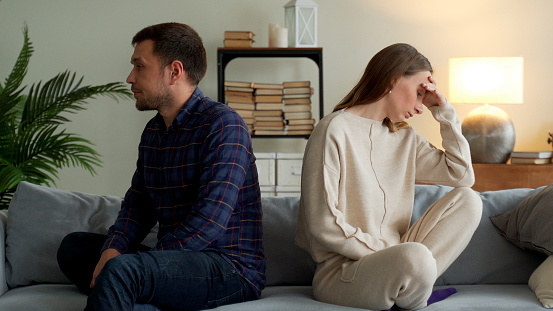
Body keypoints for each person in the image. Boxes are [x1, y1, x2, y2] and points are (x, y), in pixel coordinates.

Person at [57, 22, 265, 311]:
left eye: (139, 67)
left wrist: (145, 263)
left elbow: (210, 220)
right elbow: (138, 205)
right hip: (173, 260)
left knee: (122, 270)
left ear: (174, 71)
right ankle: (131, 290)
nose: (129, 78)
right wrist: (113, 248)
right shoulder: (153, 132)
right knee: (75, 248)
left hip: (228, 267)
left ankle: (127, 285)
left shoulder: (224, 125)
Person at [295, 43, 483, 311]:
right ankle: (414, 295)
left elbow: (462, 175)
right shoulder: (333, 130)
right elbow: (324, 226)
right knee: (416, 257)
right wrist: (389, 253)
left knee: (469, 200)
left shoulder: (403, 137)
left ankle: (410, 289)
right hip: (343, 273)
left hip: (398, 260)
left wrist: (443, 111)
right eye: (419, 93)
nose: (420, 107)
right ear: (393, 79)